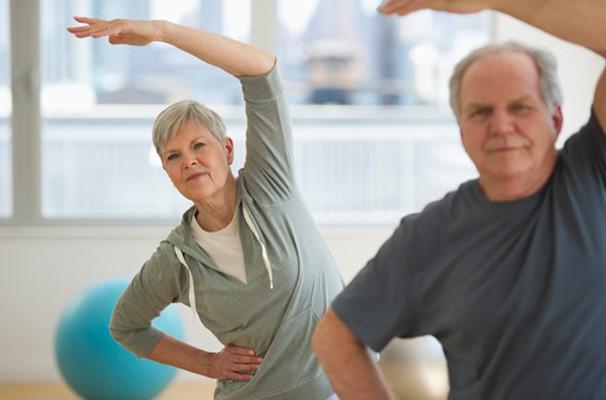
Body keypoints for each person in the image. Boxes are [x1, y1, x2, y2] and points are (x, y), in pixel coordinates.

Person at [312, 0, 606, 399]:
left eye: (519, 107)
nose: (501, 126)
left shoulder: (593, 171)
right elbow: (335, 336)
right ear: (462, 129)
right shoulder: (429, 235)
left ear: (554, 119)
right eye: (481, 112)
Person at [68, 16, 343, 400]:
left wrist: (163, 32)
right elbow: (126, 326)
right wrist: (209, 364)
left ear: (227, 150)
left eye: (200, 145)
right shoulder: (177, 258)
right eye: (174, 156)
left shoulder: (269, 186)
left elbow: (262, 72)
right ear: (167, 171)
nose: (189, 161)